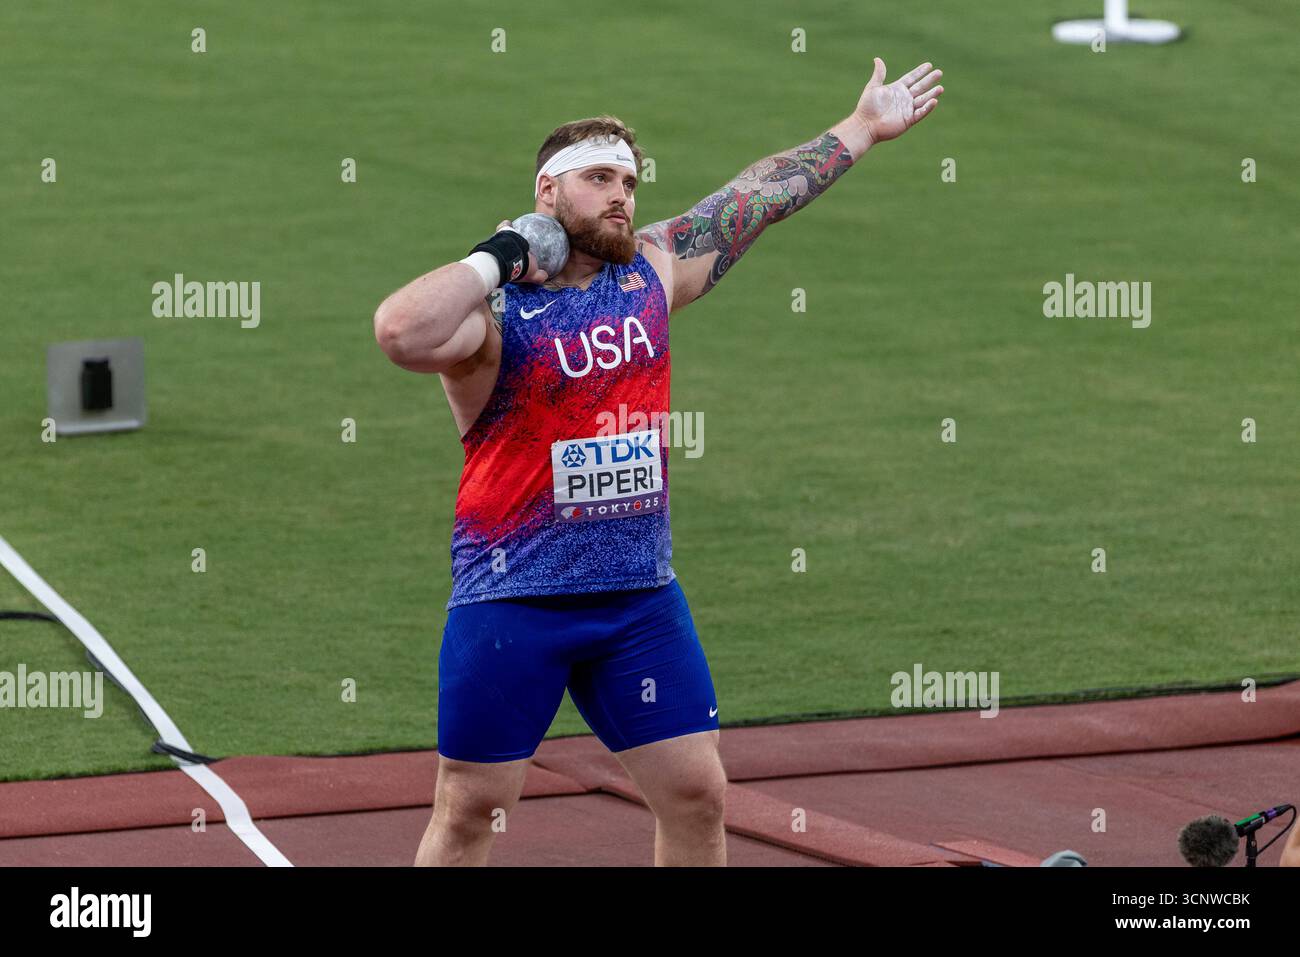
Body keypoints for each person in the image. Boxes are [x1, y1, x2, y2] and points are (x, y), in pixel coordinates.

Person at [373, 57, 944, 866]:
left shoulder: (652, 267)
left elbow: (756, 199)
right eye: (599, 177)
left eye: (630, 181)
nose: (621, 194)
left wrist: (860, 129)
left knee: (698, 794)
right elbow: (400, 331)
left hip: (638, 597)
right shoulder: (496, 316)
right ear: (548, 193)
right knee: (471, 808)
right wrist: (497, 255)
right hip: (515, 598)